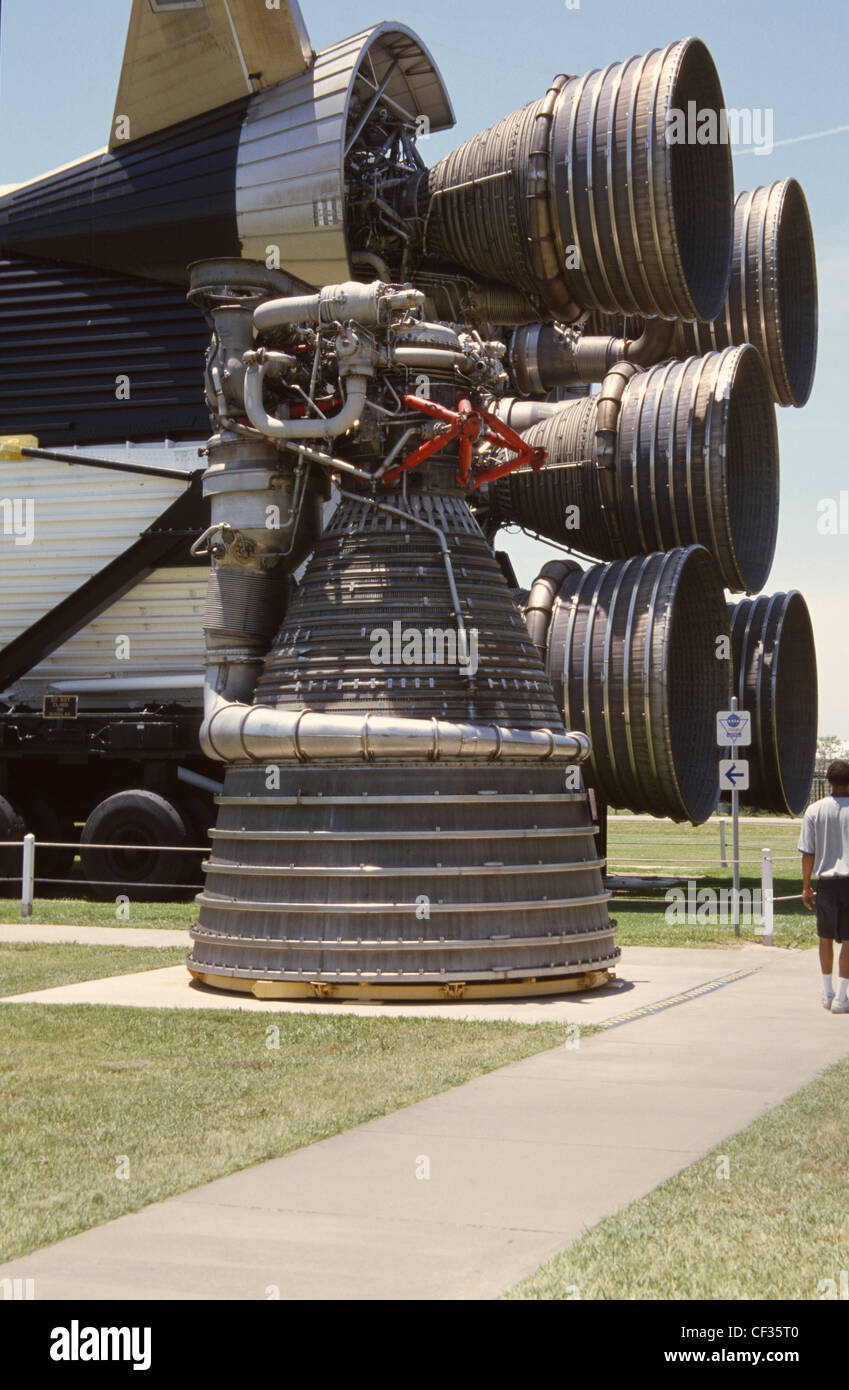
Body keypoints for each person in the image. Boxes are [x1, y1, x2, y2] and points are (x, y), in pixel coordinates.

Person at [799, 759, 849, 1012]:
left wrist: (806, 886)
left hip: (826, 884)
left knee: (825, 938)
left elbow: (808, 852)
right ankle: (842, 996)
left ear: (828, 782)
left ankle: (826, 992)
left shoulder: (814, 810)